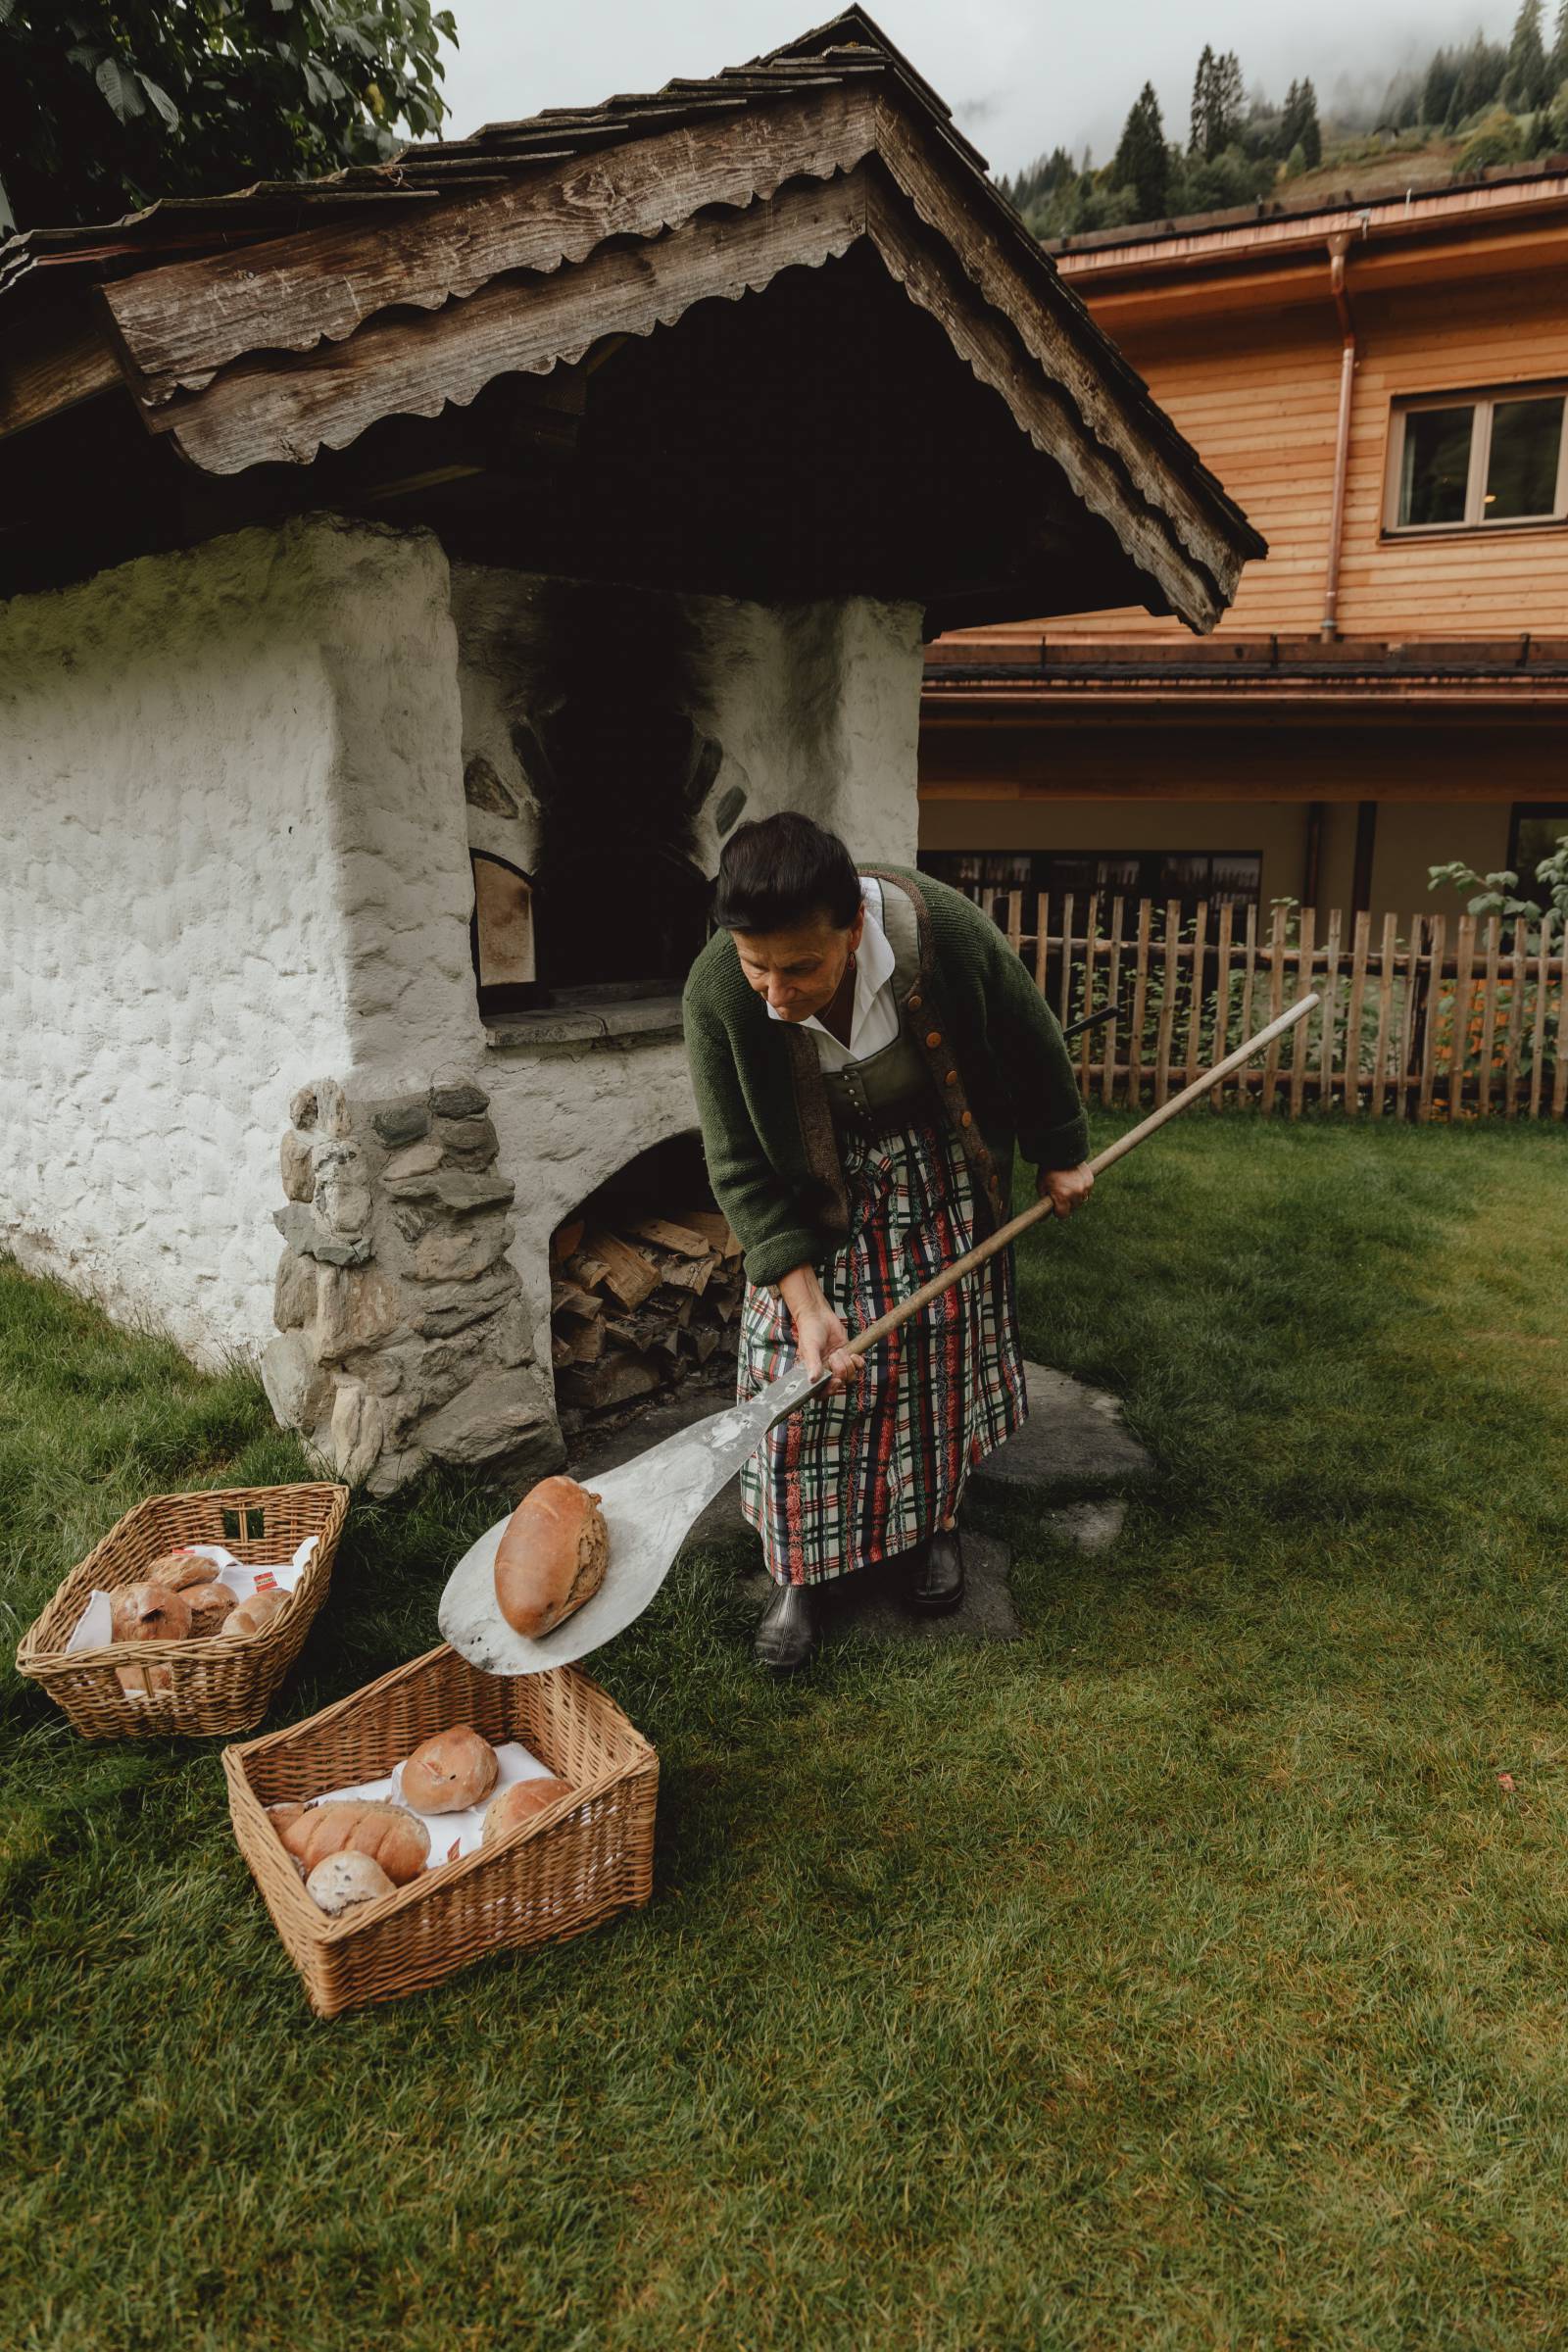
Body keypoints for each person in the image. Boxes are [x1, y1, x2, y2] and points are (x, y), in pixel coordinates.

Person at [682, 812, 1093, 1671]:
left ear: (855, 926)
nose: (776, 994)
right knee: (797, 1382)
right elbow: (740, 1164)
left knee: (932, 1359)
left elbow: (1030, 1038)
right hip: (809, 1186)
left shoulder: (939, 931)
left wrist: (1062, 1152)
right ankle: (799, 1571)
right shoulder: (718, 991)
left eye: (801, 967)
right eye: (758, 966)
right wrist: (805, 1305)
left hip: (931, 1166)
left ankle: (932, 1529)